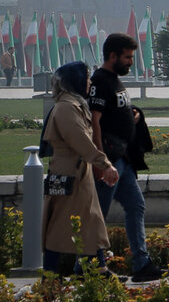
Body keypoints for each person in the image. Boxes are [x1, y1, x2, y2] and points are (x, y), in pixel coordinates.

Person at [90, 32, 162, 283]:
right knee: (98, 213)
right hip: (109, 160)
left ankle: (142, 265)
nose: (131, 62)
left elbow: (114, 111)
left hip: (123, 159)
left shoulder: (113, 81)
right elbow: (94, 122)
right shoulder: (100, 81)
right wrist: (101, 161)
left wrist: (132, 117)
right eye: (128, 57)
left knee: (136, 205)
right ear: (113, 56)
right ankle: (91, 268)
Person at [41, 61, 119, 276]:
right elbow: (81, 141)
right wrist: (105, 164)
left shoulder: (73, 104)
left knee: (90, 220)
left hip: (77, 172)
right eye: (85, 77)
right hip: (69, 174)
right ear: (75, 80)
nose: (90, 81)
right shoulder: (67, 107)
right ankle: (51, 275)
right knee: (60, 228)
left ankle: (98, 268)